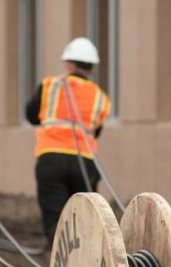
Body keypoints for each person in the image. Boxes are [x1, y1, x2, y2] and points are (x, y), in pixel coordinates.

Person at [25, 37, 112, 246]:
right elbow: (96, 131)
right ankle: (86, 266)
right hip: (84, 163)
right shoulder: (100, 96)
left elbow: (31, 115)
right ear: (91, 67)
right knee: (85, 217)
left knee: (55, 219)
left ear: (69, 64)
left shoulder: (50, 86)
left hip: (51, 158)